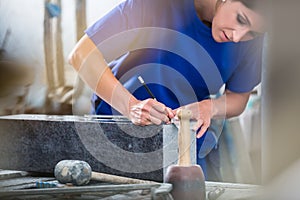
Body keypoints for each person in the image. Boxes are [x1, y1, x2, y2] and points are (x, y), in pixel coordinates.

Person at [69, 0, 267, 181]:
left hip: (185, 145)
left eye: (252, 33)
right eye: (240, 19)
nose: (237, 36)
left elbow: (239, 96)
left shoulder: (249, 42)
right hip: (118, 133)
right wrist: (131, 106)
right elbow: (82, 55)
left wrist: (210, 107)